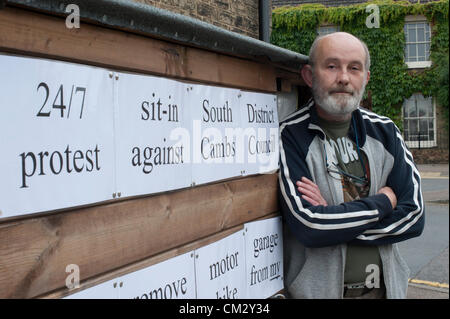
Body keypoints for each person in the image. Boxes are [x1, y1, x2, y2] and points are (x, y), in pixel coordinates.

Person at [279, 32, 425, 299]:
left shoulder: (385, 132)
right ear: (310, 76)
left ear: (365, 78)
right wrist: (384, 202)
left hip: (386, 292)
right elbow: (310, 227)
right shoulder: (290, 136)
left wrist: (333, 217)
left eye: (354, 68)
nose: (344, 78)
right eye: (332, 66)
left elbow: (413, 216)